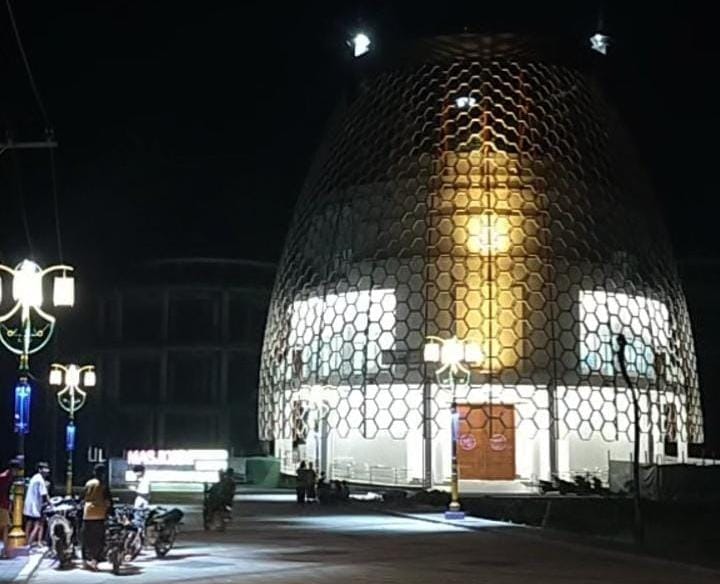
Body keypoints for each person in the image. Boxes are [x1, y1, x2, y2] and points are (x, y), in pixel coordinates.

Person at [82, 464, 112, 571]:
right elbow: (108, 501)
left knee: (87, 537)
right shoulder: (103, 485)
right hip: (100, 514)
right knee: (98, 538)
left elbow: (83, 496)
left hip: (88, 513)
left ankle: (87, 558)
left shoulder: (89, 483)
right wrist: (109, 511)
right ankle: (96, 558)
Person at [24, 462, 50, 550]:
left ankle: (26, 542)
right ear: (40, 470)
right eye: (45, 469)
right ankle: (29, 544)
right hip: (35, 505)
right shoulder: (40, 480)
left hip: (30, 505)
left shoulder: (34, 478)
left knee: (29, 523)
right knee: (38, 525)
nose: (47, 471)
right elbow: (44, 495)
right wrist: (50, 503)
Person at [0, 460, 20, 559]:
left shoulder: (10, 477)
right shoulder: (3, 477)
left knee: (6, 528)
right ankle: (5, 551)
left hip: (5, 505)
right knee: (5, 527)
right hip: (2, 505)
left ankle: (5, 551)